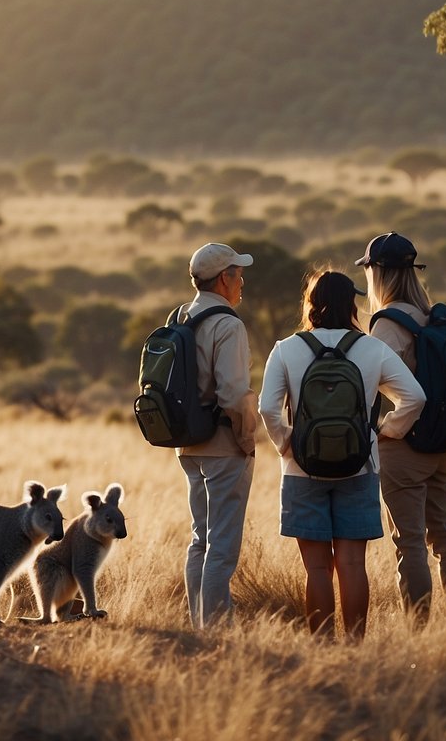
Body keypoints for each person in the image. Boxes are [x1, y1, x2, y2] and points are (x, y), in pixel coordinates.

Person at [259, 269, 425, 641]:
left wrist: (287, 444)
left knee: (317, 569)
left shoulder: (286, 349)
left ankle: (322, 647)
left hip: (302, 471)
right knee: (352, 564)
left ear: (311, 304)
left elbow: (267, 409)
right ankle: (354, 646)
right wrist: (383, 433)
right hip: (359, 467)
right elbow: (415, 398)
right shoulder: (372, 348)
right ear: (352, 303)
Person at [358, 231, 446, 621]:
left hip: (405, 445)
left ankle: (419, 632)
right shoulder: (431, 316)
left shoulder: (386, 326)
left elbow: (374, 390)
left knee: (409, 544)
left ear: (378, 273)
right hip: (441, 441)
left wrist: (389, 428)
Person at [177, 242, 259, 629]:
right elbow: (231, 394)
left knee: (200, 539)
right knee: (222, 547)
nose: (242, 281)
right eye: (238, 274)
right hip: (223, 445)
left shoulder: (182, 314)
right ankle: (215, 631)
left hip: (187, 443)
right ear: (224, 278)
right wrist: (247, 439)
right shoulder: (228, 324)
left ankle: (199, 626)